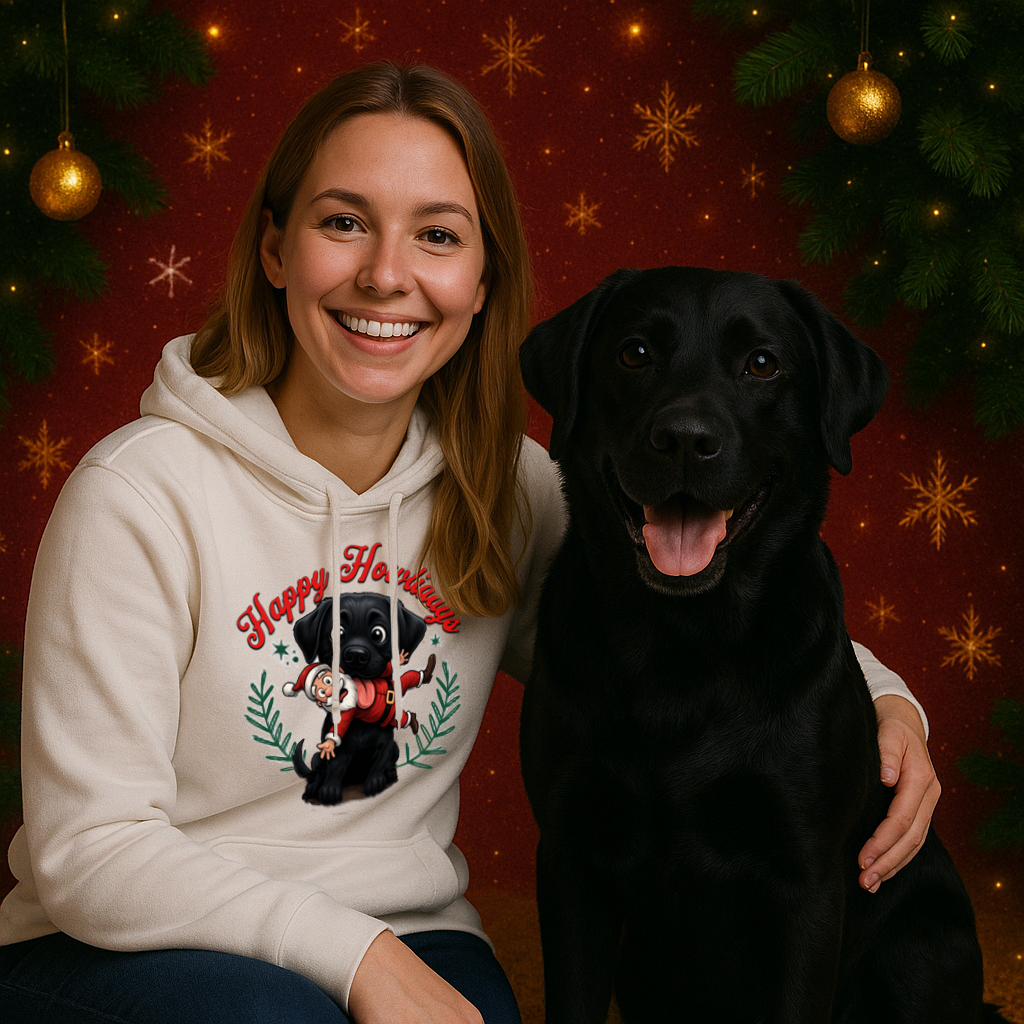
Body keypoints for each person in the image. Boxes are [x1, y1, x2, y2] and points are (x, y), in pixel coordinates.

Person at [0, 62, 940, 1023]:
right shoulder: (137, 493)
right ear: (276, 249)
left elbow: (679, 621)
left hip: (412, 928)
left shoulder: (504, 487)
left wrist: (886, 700)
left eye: (438, 236)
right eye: (343, 222)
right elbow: (90, 854)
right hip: (132, 942)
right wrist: (356, 959)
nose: (386, 275)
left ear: (482, 280)